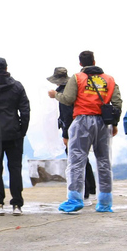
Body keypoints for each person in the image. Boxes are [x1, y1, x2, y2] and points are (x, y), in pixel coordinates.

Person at [48, 50, 122, 213]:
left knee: (76, 161)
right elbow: (117, 102)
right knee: (104, 162)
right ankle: (104, 202)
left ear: (80, 63)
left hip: (82, 121)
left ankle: (75, 199)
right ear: (94, 61)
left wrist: (56, 95)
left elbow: (68, 99)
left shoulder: (77, 78)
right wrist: (114, 123)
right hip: (103, 123)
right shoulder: (109, 79)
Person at [47, 67, 97, 201]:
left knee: (76, 161)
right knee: (84, 158)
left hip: (73, 130)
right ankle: (91, 187)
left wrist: (65, 135)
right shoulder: (74, 89)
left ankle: (84, 191)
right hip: (84, 126)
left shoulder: (63, 94)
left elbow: (67, 115)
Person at [0, 57, 30, 216]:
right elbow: (25, 111)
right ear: (6, 68)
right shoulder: (17, 86)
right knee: (15, 168)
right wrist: (22, 131)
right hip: (14, 133)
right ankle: (17, 204)